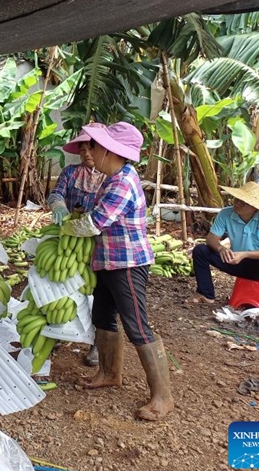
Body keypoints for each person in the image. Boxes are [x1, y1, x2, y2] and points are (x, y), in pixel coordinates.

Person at [60, 122, 173, 421]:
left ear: (109, 150)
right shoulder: (110, 179)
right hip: (108, 261)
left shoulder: (123, 181)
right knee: (103, 318)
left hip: (128, 263)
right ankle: (109, 373)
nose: (90, 151)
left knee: (137, 324)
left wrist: (65, 227)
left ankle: (163, 396)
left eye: (94, 146)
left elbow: (95, 223)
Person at [49, 128, 106, 366]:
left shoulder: (109, 175)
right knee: (61, 286)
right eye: (81, 149)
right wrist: (60, 207)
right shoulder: (71, 173)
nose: (85, 153)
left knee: (95, 292)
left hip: (97, 239)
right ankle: (58, 332)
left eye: (89, 148)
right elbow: (56, 194)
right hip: (69, 237)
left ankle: (96, 343)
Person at [187, 181, 259, 310]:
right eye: (237, 199)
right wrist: (221, 248)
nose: (238, 204)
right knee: (201, 250)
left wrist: (245, 254)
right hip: (234, 261)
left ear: (254, 207)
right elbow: (211, 238)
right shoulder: (226, 213)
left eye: (243, 202)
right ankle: (206, 294)